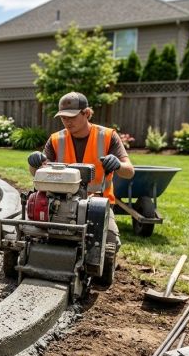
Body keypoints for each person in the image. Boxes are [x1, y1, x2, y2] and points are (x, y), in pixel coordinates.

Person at [27, 91, 135, 250]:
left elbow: (129, 171)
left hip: (97, 205)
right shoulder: (56, 139)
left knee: (110, 244)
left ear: (86, 113)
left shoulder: (107, 136)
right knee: (38, 238)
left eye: (72, 117)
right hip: (59, 203)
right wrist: (33, 164)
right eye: (63, 117)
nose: (67, 122)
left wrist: (118, 164)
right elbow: (38, 171)